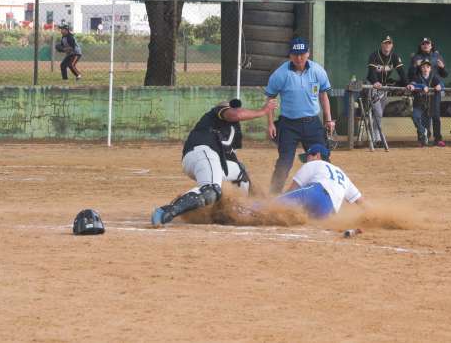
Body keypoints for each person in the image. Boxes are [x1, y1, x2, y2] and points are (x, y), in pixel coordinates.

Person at [151, 98, 278, 227]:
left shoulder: (231, 134)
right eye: (233, 107)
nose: (237, 109)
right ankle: (165, 211)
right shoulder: (217, 113)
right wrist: (263, 111)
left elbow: (234, 165)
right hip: (201, 152)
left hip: (213, 160)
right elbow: (235, 115)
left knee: (240, 173)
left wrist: (262, 201)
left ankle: (233, 211)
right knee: (211, 190)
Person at [265, 37, 334, 195]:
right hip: (288, 125)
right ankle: (273, 197)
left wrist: (328, 119)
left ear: (308, 53)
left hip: (312, 124)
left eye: (302, 54)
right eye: (295, 54)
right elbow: (270, 98)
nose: (299, 58)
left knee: (322, 160)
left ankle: (328, 193)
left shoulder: (317, 71)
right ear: (290, 55)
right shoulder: (281, 74)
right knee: (285, 162)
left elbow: (324, 96)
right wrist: (270, 123)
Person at [276, 144, 366, 219]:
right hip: (329, 211)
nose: (307, 161)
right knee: (301, 215)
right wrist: (373, 217)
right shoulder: (342, 175)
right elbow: (361, 201)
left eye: (309, 156)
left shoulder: (313, 163)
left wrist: (275, 201)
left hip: (316, 193)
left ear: (317, 156)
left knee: (274, 205)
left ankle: (262, 207)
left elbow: (293, 190)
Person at [365, 35, 407, 147]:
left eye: (389, 43)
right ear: (381, 44)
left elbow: (401, 72)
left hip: (384, 87)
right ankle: (376, 136)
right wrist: (375, 82)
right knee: (377, 112)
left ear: (392, 45)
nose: (387, 45)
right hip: (373, 86)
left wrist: (408, 84)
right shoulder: (374, 55)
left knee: (380, 113)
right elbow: (371, 72)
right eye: (385, 43)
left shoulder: (394, 56)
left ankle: (376, 134)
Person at [408, 37, 448, 146]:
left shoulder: (437, 56)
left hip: (434, 90)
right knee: (423, 116)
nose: (426, 45)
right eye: (423, 43)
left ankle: (438, 138)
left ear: (431, 45)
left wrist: (443, 68)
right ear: (421, 46)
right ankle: (423, 139)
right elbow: (411, 75)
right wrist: (415, 65)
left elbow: (444, 75)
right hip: (421, 92)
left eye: (428, 43)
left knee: (435, 116)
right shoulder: (417, 57)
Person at [406, 59, 444, 147]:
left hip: (433, 102)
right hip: (420, 102)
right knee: (419, 119)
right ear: (420, 68)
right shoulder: (417, 77)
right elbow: (412, 84)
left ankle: (437, 140)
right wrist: (423, 86)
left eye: (427, 67)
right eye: (423, 67)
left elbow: (442, 84)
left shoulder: (434, 77)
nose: (425, 69)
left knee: (436, 119)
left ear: (430, 68)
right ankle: (422, 139)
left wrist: (440, 86)